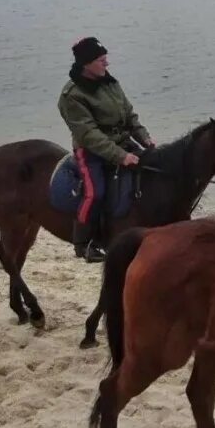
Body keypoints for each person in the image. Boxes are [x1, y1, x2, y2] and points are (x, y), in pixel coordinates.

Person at [58, 37, 154, 262]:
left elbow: (129, 115)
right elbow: (89, 135)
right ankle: (83, 243)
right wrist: (121, 156)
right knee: (95, 193)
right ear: (86, 63)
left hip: (122, 143)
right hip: (91, 151)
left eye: (106, 58)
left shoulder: (110, 83)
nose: (107, 63)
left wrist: (145, 138)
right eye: (101, 60)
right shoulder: (72, 95)